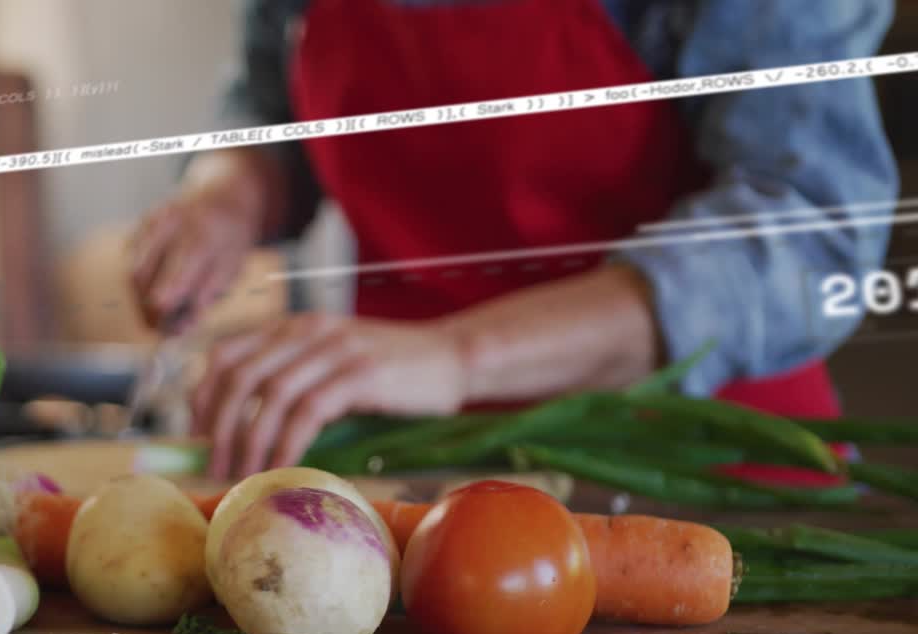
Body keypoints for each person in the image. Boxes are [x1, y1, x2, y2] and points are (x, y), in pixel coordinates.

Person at [129, 0, 898, 482]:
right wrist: (227, 189)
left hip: (706, 476)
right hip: (415, 472)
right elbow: (271, 109)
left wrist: (459, 355)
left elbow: (809, 228)